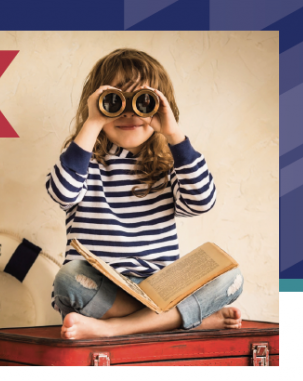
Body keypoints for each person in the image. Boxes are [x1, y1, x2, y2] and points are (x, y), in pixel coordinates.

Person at [45, 48, 243, 340]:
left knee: (231, 277)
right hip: (107, 288)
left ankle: (116, 328)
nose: (128, 112)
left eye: (143, 101)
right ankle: (184, 319)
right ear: (97, 103)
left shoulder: (169, 165)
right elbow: (62, 194)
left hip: (163, 289)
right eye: (114, 100)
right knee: (68, 278)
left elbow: (202, 202)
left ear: (161, 107)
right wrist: (92, 123)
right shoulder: (85, 161)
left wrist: (174, 135)